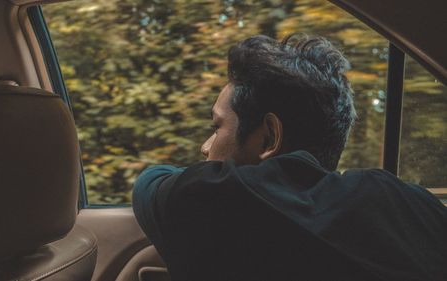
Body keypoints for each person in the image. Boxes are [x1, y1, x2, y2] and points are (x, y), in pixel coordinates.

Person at [132, 34, 447, 281]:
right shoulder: (406, 202)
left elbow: (150, 182)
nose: (205, 145)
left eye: (217, 127)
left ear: (269, 137)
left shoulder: (224, 203)